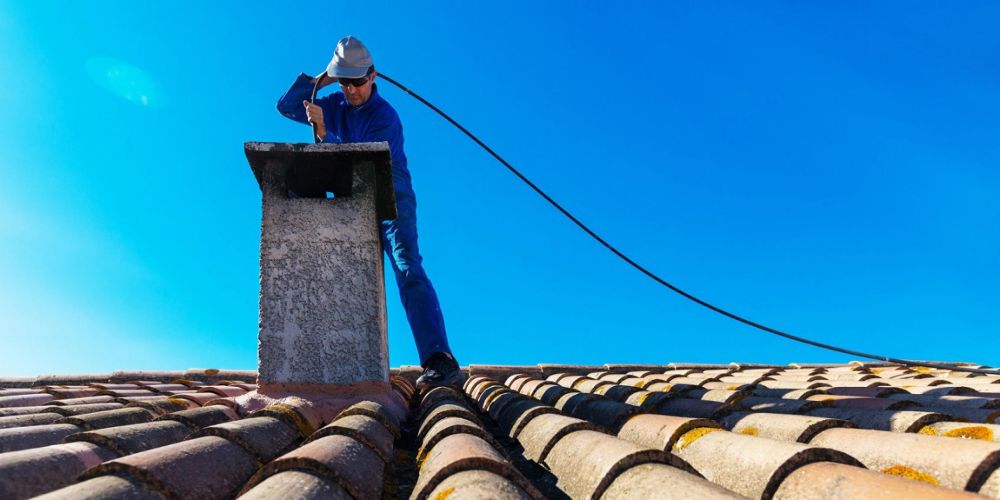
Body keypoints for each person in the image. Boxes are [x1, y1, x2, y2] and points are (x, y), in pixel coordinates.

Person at [276, 36, 464, 389]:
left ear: (373, 76)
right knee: (342, 271)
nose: (352, 90)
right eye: (346, 82)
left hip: (391, 198)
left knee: (407, 266)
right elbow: (287, 106)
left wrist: (324, 131)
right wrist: (324, 79)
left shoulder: (385, 117)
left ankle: (440, 358)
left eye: (357, 81)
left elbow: (361, 159)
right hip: (355, 199)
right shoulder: (335, 102)